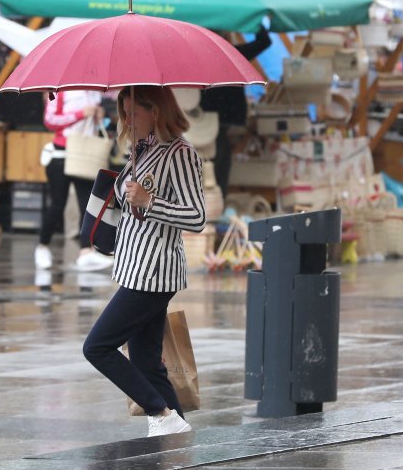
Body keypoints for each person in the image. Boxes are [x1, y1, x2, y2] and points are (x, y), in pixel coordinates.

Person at [82, 86, 206, 437]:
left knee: (97, 347)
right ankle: (177, 431)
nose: (126, 120)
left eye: (133, 112)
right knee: (147, 364)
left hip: (154, 272)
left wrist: (150, 200)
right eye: (123, 111)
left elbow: (196, 217)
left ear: (157, 112)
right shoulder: (143, 149)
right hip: (134, 267)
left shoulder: (180, 153)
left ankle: (162, 414)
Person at [35, 90, 114, 272]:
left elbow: (101, 125)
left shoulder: (95, 92)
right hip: (61, 155)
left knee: (87, 204)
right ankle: (43, 245)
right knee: (57, 204)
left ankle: (85, 251)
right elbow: (50, 120)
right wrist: (80, 114)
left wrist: (101, 118)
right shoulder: (58, 90)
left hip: (85, 155)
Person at [200, 26, 272, 199]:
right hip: (229, 116)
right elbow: (265, 41)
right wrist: (255, 22)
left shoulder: (199, 57)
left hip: (209, 118)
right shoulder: (234, 53)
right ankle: (216, 202)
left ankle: (213, 203)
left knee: (214, 161)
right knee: (220, 161)